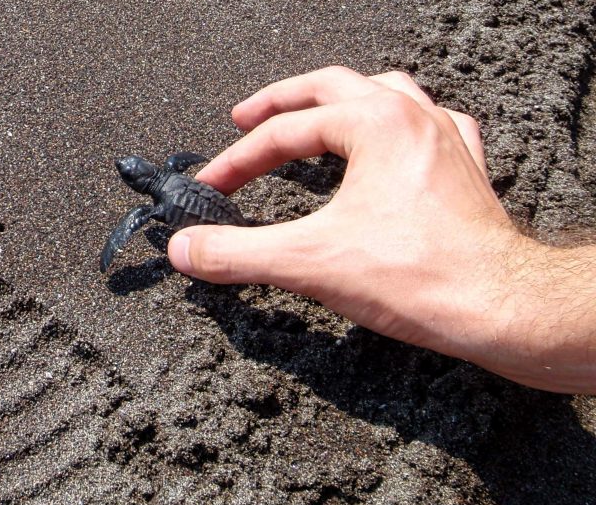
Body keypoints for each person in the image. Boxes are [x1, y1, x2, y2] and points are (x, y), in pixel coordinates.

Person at [167, 66, 596, 395]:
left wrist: (507, 289)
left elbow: (160, 195)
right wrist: (518, 287)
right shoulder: (173, 170)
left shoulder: (161, 197)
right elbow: (180, 165)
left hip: (203, 211)